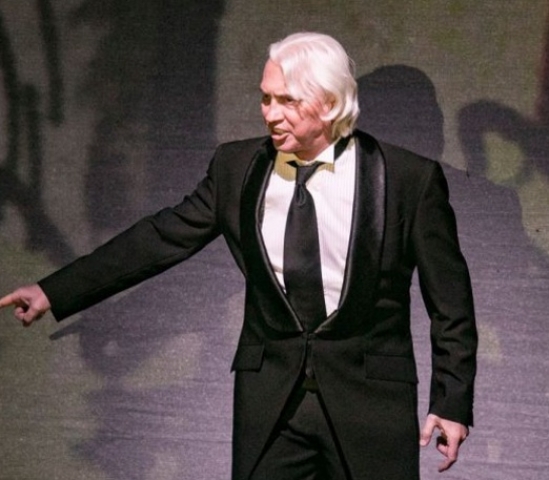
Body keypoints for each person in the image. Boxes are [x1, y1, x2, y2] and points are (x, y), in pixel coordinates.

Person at [0, 32, 477, 480]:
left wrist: (452, 400)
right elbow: (159, 238)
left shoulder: (408, 179)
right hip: (271, 406)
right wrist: (54, 290)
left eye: (288, 101)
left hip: (370, 405)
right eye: (266, 98)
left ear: (331, 103)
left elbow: (450, 302)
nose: (271, 114)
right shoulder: (237, 168)